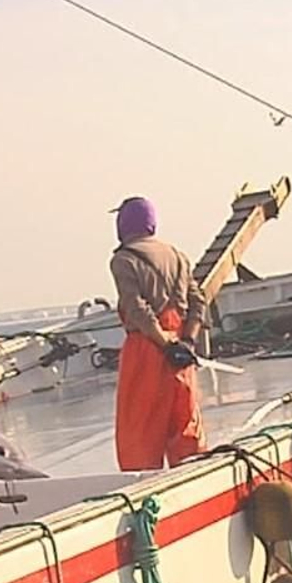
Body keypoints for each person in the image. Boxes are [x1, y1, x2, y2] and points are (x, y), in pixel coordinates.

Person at [108, 196, 207, 470]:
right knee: (185, 425)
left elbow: (136, 308)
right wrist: (186, 341)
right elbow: (198, 301)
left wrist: (164, 343)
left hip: (147, 351)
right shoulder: (177, 256)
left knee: (139, 431)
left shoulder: (123, 260)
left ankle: (144, 493)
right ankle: (193, 483)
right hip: (182, 355)